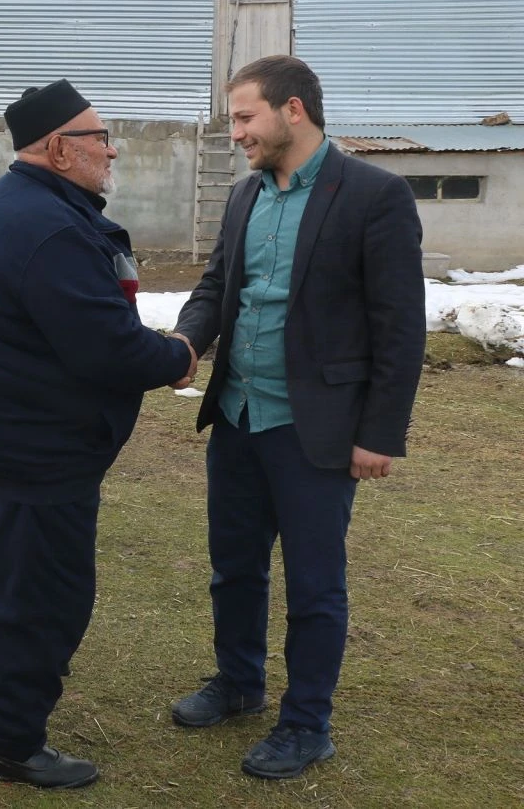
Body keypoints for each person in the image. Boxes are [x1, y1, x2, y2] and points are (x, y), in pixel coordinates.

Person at [0, 80, 197, 790]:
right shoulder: (48, 227)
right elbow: (107, 350)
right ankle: (10, 741)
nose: (111, 151)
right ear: (57, 149)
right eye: (99, 138)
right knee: (44, 593)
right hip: (37, 439)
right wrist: (179, 357)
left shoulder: (11, 205)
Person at [169, 55, 425, 779]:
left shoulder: (375, 196)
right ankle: (240, 684)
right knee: (234, 570)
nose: (236, 134)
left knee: (314, 584)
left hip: (316, 429)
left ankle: (307, 723)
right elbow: (220, 284)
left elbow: (400, 326)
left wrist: (380, 433)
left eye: (245, 118)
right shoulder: (246, 197)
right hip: (238, 417)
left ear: (294, 111)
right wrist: (188, 339)